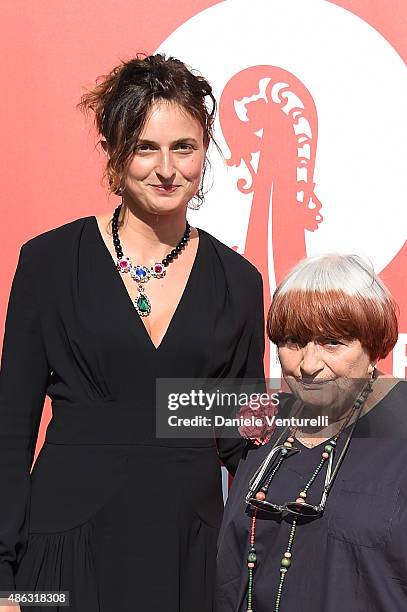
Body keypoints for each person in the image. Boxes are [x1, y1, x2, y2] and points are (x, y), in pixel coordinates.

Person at [0, 54, 265, 612]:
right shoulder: (49, 263)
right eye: (146, 147)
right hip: (63, 555)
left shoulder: (238, 282)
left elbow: (243, 443)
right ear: (115, 154)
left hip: (187, 557)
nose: (166, 169)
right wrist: (5, 577)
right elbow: (10, 432)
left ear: (205, 151)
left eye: (184, 147)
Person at [215, 253, 407, 612]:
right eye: (292, 341)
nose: (308, 365)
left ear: (375, 345)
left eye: (332, 342)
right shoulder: (264, 432)